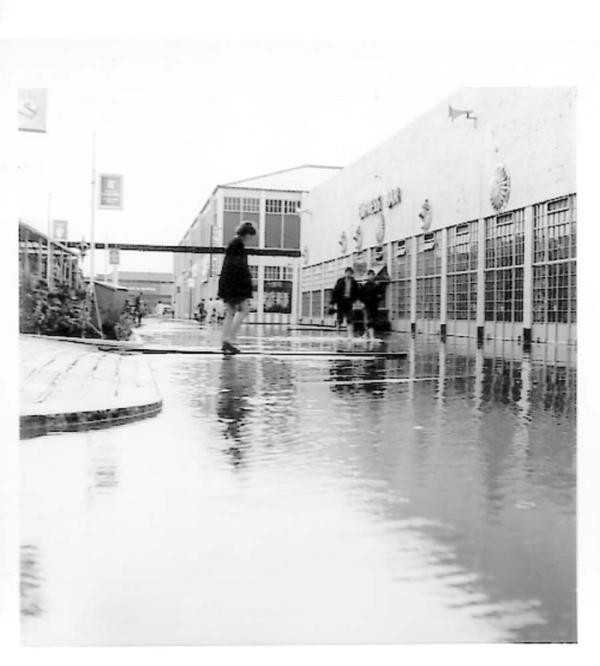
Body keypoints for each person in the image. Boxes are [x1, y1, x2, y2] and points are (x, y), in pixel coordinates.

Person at [218, 221, 257, 354]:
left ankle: (225, 340)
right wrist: (247, 285)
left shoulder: (232, 245)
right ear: (246, 235)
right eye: (250, 236)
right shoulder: (239, 246)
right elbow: (241, 268)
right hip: (236, 285)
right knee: (245, 310)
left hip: (227, 283)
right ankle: (230, 339)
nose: (250, 239)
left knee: (230, 312)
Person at [330, 266, 359, 338]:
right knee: (339, 318)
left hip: (349, 302)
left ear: (352, 274)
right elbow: (335, 292)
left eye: (350, 273)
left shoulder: (354, 282)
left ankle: (350, 335)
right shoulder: (340, 281)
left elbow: (357, 293)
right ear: (345, 273)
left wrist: (355, 301)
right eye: (347, 273)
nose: (348, 274)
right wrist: (332, 303)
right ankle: (337, 334)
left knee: (350, 318)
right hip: (341, 301)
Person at [360, 269, 383, 341]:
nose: (371, 276)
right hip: (367, 305)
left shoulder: (376, 285)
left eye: (372, 275)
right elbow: (361, 295)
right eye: (370, 275)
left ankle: (366, 334)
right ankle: (371, 336)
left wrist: (378, 299)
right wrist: (363, 302)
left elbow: (380, 294)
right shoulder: (366, 285)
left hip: (374, 305)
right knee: (369, 320)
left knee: (372, 319)